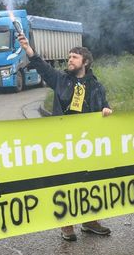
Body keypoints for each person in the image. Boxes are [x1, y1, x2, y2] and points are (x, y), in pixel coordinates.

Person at [18, 34, 113, 241]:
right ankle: (67, 223)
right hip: (64, 143)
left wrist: (106, 110)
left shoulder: (97, 86)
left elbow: (105, 106)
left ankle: (89, 221)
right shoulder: (60, 80)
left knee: (88, 182)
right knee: (66, 183)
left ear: (85, 62)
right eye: (69, 57)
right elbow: (41, 65)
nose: (69, 60)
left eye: (74, 57)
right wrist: (28, 48)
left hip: (87, 143)